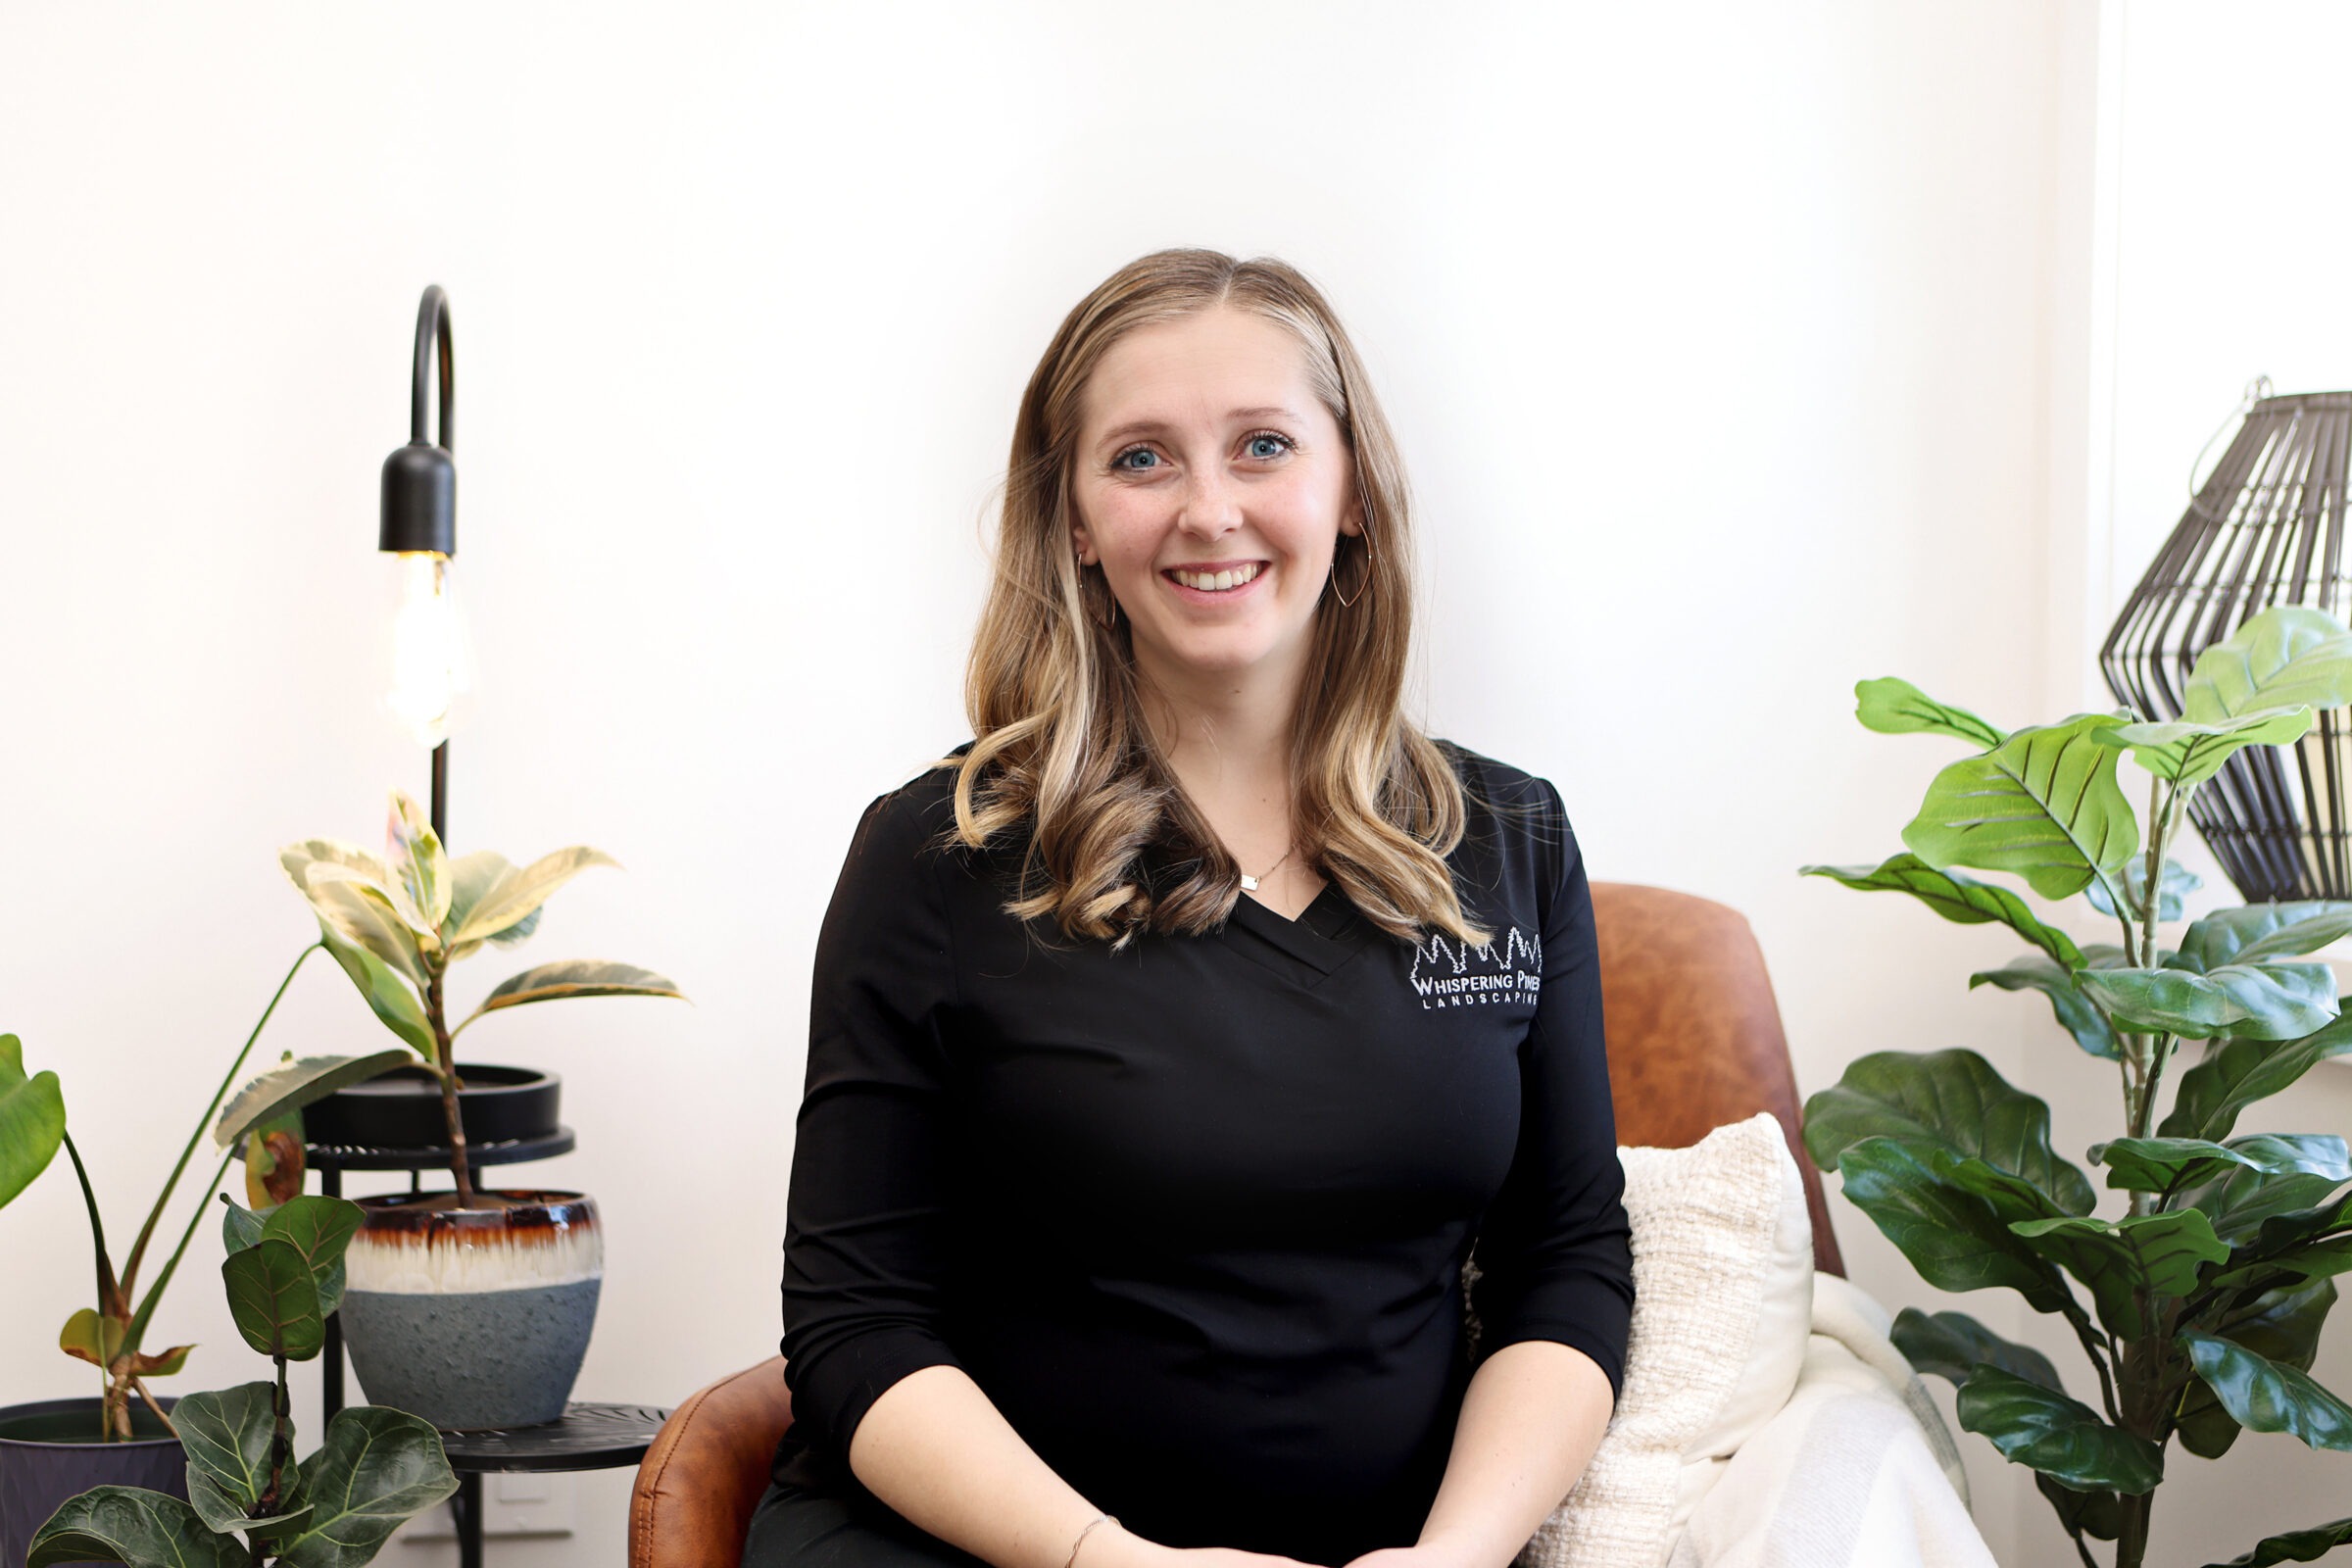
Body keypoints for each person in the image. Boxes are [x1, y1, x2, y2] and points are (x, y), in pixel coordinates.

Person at [744, 249, 1633, 1568]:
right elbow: (855, 1322)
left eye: (1263, 445)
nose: (1207, 509)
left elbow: (1563, 1266)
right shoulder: (938, 855)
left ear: (1353, 497)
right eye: (1143, 458)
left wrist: (1451, 1559)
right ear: (1078, 526)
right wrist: (1117, 1565)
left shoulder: (1506, 842)